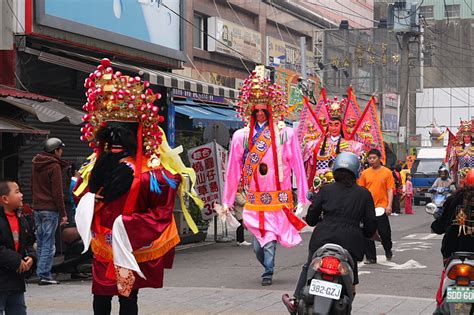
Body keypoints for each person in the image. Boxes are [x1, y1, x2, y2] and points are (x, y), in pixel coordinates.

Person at [74, 59, 202, 315]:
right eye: (110, 134)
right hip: (103, 241)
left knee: (127, 295)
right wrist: (90, 202)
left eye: (122, 134)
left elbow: (161, 211)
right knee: (100, 294)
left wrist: (127, 225)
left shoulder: (151, 174)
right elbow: (81, 194)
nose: (115, 140)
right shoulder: (95, 167)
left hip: (125, 243)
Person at [222, 69, 309, 286]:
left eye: (264, 110)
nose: (260, 114)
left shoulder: (284, 134)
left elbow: (298, 165)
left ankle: (268, 272)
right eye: (256, 111)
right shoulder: (241, 136)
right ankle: (266, 266)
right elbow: (233, 169)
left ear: (270, 110)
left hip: (278, 197)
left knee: (269, 240)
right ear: (251, 111)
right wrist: (227, 201)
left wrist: (303, 198)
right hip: (255, 199)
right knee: (257, 244)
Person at [281, 152, 377, 314]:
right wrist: (366, 233)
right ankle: (347, 305)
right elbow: (370, 225)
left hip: (322, 238)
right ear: (356, 171)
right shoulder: (364, 194)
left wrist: (315, 218)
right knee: (351, 275)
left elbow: (311, 218)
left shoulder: (326, 190)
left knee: (309, 266)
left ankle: (296, 300)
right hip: (351, 241)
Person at [431, 169, 474, 313]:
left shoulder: (453, 200)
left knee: (444, 289)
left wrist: (436, 225)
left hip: (452, 254)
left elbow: (440, 225)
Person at [302, 98, 363, 192]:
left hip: (342, 184)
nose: (333, 128)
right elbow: (309, 169)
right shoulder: (314, 145)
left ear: (341, 126)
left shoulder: (353, 146)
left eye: (336, 125)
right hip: (320, 183)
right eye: (330, 125)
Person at [32, 137, 69, 285]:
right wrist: (63, 213)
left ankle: (40, 271)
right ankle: (44, 275)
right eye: (61, 149)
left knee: (41, 241)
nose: (62, 152)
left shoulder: (36, 163)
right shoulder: (54, 166)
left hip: (37, 208)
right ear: (55, 150)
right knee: (48, 243)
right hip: (50, 209)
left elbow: (32, 185)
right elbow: (57, 193)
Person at [0, 179, 36, 315]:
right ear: (5, 199)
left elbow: (28, 243)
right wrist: (17, 260)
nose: (21, 195)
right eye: (17, 192)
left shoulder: (22, 219)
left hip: (16, 281)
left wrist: (31, 257)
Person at [358, 148, 395, 264]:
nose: (372, 160)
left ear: (379, 159)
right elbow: (361, 191)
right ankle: (371, 257)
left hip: (381, 207)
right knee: (367, 232)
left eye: (374, 158)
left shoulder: (387, 172)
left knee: (384, 233)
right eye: (370, 158)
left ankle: (388, 249)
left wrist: (389, 205)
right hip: (368, 208)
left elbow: (390, 190)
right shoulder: (364, 173)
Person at [448, 119, 474, 184]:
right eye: (465, 137)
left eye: (468, 137)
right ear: (462, 138)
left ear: (471, 138)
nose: (467, 138)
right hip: (461, 175)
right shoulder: (456, 149)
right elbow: (453, 166)